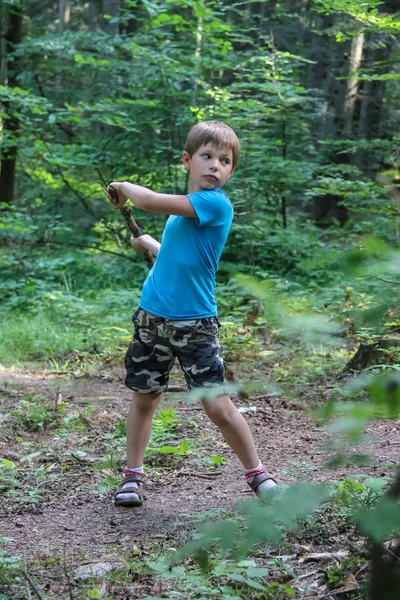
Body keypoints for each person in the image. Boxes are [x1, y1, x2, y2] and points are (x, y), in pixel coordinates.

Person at [106, 120, 277, 507]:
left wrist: (123, 189)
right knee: (145, 398)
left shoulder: (215, 204)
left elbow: (147, 200)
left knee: (216, 403)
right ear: (188, 160)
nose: (215, 165)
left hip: (194, 324)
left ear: (231, 171)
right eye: (207, 156)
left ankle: (257, 473)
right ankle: (133, 476)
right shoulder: (184, 211)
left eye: (225, 160)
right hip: (152, 318)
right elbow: (179, 258)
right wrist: (148, 242)